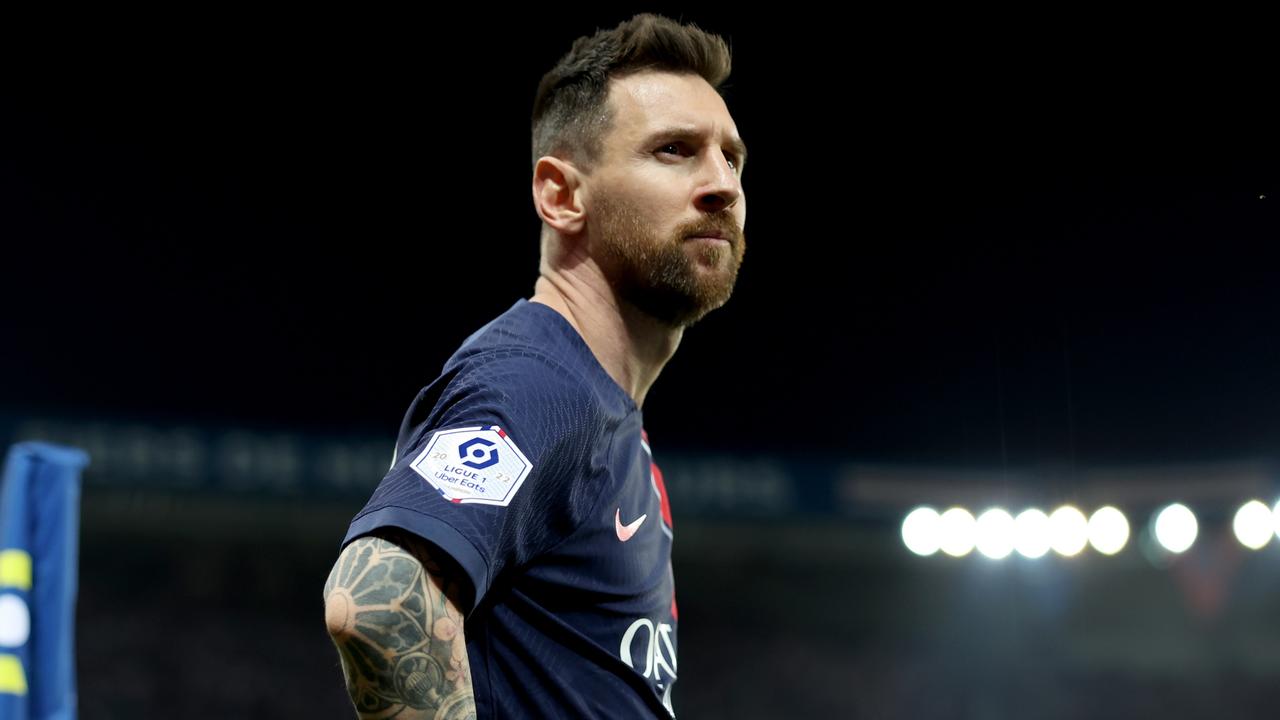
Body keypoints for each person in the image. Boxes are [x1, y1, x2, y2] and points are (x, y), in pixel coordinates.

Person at [323, 12, 748, 718]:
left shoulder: (603, 413)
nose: (721, 185)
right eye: (675, 150)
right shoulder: (541, 382)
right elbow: (378, 602)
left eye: (731, 158)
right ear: (560, 194)